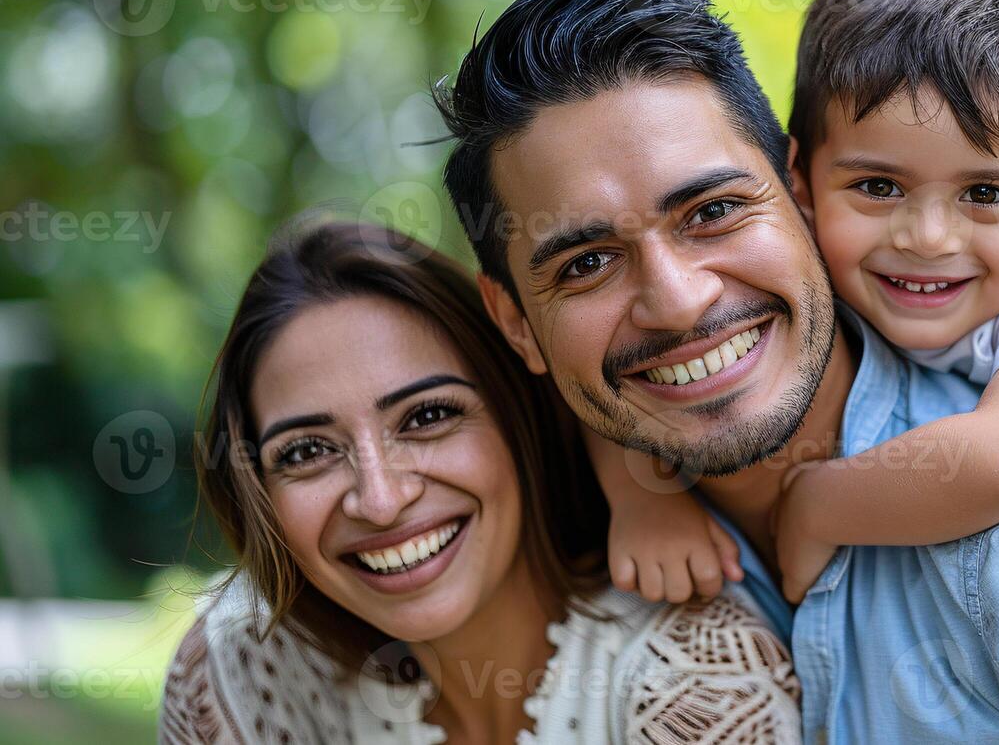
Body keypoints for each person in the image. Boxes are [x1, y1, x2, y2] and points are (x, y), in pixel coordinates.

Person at [435, 0, 999, 741]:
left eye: (712, 212)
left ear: (794, 194)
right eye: (587, 262)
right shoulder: (545, 549)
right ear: (518, 325)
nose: (677, 300)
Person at [160, 221, 801, 744]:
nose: (382, 501)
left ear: (517, 411)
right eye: (306, 452)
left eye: (428, 416)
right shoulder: (233, 676)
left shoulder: (701, 689)